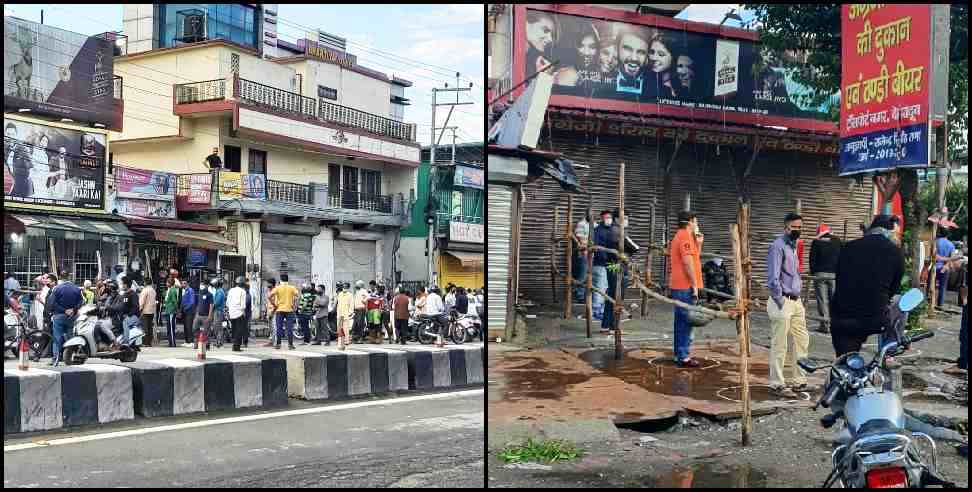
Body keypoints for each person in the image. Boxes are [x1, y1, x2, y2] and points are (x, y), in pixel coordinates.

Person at [830, 215, 906, 357]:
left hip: (843, 316)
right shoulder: (896, 252)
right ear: (890, 231)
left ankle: (841, 372)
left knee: (844, 363)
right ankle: (889, 353)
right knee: (898, 301)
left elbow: (839, 277)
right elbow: (894, 287)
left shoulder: (848, 247)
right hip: (875, 317)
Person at [766, 213, 810, 398]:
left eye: (800, 227)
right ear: (786, 227)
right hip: (782, 301)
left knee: (802, 340)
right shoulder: (778, 247)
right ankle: (777, 383)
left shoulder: (793, 246)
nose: (797, 230)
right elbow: (773, 278)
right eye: (794, 227)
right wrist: (780, 300)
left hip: (796, 301)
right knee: (780, 344)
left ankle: (799, 380)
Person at [669, 211, 705, 368]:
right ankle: (683, 355)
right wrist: (694, 285)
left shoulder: (687, 237)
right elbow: (687, 263)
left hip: (682, 285)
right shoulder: (684, 236)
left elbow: (695, 258)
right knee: (686, 321)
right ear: (690, 222)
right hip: (685, 285)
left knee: (682, 321)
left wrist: (699, 244)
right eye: (695, 221)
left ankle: (679, 353)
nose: (697, 224)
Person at [809, 224, 842, 334]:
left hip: (820, 274)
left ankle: (825, 325)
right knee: (834, 300)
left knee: (822, 300)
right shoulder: (838, 241)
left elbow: (812, 260)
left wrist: (814, 272)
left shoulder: (816, 242)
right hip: (834, 275)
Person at [47, 274, 83, 366]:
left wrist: (63, 310)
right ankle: (70, 357)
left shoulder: (57, 289)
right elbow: (81, 301)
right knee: (70, 337)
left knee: (57, 337)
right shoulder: (76, 289)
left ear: (60, 279)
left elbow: (52, 303)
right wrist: (73, 310)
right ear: (69, 278)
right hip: (72, 317)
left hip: (59, 316)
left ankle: (56, 358)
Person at [600, 211, 622, 333]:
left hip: (615, 265)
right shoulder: (615, 231)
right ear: (617, 218)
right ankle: (611, 324)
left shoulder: (617, 229)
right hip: (614, 265)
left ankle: (609, 324)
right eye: (624, 217)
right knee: (615, 294)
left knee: (614, 294)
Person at [645, 32, 685, 100]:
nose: (654, 58)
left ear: (673, 58)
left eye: (661, 54)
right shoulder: (645, 81)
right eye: (651, 52)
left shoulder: (681, 85)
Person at [591, 210, 615, 322]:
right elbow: (596, 248)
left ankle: (603, 310)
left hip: (611, 263)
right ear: (601, 218)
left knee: (606, 287)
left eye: (610, 217)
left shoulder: (612, 229)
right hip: (600, 263)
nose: (608, 219)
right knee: (599, 287)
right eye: (606, 217)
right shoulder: (597, 231)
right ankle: (596, 311)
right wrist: (606, 257)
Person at [613, 27, 651, 96]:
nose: (634, 58)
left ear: (647, 55)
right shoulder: (602, 80)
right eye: (628, 49)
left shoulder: (657, 87)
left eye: (641, 52)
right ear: (616, 49)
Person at [269, 273, 299, 350]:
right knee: (289, 328)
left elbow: (269, 296)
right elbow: (297, 296)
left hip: (279, 310)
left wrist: (274, 305)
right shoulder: (292, 288)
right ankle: (290, 345)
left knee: (279, 327)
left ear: (280, 280)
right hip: (289, 310)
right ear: (287, 279)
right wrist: (294, 305)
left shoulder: (278, 288)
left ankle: (278, 344)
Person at [525, 10, 556, 77]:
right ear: (526, 24)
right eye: (545, 30)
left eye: (551, 35)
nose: (550, 39)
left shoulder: (534, 63)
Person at [933, 229, 956, 308]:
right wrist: (945, 266)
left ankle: (929, 302)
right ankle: (940, 304)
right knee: (942, 287)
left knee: (931, 285)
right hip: (945, 268)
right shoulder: (951, 245)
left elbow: (934, 255)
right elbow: (952, 258)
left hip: (934, 267)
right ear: (947, 235)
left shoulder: (936, 242)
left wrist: (939, 258)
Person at [572, 213, 591, 303]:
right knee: (583, 275)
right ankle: (579, 295)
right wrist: (586, 247)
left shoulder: (594, 224)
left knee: (590, 275)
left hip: (593, 253)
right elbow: (580, 238)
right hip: (584, 253)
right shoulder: (581, 224)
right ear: (586, 214)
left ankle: (586, 294)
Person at [227, 276, 248, 352]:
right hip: (239, 313)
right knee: (239, 330)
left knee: (234, 330)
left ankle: (234, 345)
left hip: (232, 313)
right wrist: (243, 312)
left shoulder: (231, 290)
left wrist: (230, 310)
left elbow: (227, 303)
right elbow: (243, 305)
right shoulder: (243, 291)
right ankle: (236, 347)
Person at [193, 278, 215, 350]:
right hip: (198, 315)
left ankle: (207, 345)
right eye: (202, 284)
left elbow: (211, 305)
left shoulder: (210, 295)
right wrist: (196, 313)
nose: (202, 285)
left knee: (206, 331)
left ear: (207, 285)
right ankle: (196, 343)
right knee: (195, 328)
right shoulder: (199, 293)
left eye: (204, 284)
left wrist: (209, 316)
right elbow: (198, 304)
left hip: (206, 316)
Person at [119, 277, 141, 346]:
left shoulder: (133, 294)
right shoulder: (124, 294)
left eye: (122, 284)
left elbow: (135, 307)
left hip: (134, 316)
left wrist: (128, 315)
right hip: (126, 316)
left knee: (125, 322)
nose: (121, 285)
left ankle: (126, 343)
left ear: (126, 285)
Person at [336, 282, 354, 349]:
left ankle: (346, 341)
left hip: (346, 314)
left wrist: (350, 312)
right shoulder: (339, 294)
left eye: (346, 286)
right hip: (339, 314)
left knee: (346, 328)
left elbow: (351, 304)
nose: (344, 288)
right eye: (344, 286)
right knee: (339, 328)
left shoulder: (350, 295)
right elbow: (338, 304)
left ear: (348, 287)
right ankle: (340, 341)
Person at [139, 280, 157, 346]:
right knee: (150, 327)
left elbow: (142, 302)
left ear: (145, 283)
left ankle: (145, 342)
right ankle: (149, 342)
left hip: (145, 311)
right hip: (152, 311)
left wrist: (140, 309)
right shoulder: (153, 290)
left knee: (145, 327)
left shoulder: (145, 290)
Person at [180, 278, 197, 347]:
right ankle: (187, 341)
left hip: (189, 311)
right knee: (185, 326)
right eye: (182, 283)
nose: (182, 284)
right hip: (184, 311)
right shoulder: (184, 290)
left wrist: (186, 308)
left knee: (188, 326)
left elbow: (192, 302)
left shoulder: (190, 290)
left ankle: (191, 341)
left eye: (184, 283)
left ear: (187, 284)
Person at [163, 277, 179, 347]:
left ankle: (172, 343)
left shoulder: (172, 290)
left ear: (170, 283)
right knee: (169, 327)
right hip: (168, 310)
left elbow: (175, 301)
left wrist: (176, 310)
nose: (166, 284)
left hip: (171, 311)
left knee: (171, 328)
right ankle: (170, 342)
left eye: (167, 282)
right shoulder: (169, 290)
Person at [211, 278, 226, 346]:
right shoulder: (218, 291)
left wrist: (211, 307)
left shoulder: (220, 291)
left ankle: (219, 341)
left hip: (218, 311)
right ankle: (218, 341)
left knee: (218, 327)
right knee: (217, 326)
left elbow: (216, 302)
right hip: (217, 311)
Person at [263, 278, 278, 347]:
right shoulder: (269, 291)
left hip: (274, 311)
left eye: (268, 283)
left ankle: (276, 343)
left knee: (274, 327)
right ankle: (271, 341)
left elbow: (276, 303)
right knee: (270, 328)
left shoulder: (275, 291)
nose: (267, 285)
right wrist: (266, 311)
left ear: (272, 284)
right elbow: (268, 302)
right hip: (269, 311)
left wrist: (272, 311)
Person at [243, 279, 253, 349]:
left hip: (246, 314)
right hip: (246, 313)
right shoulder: (247, 294)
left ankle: (245, 342)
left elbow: (245, 304)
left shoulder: (247, 295)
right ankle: (244, 341)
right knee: (245, 328)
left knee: (245, 328)